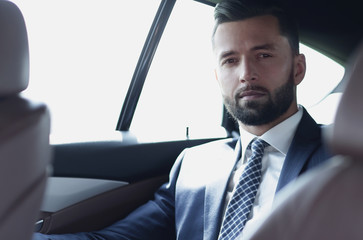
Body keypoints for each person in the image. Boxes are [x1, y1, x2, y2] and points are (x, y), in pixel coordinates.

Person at [33, 0, 331, 239]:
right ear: (217, 76)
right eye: (230, 60)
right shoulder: (194, 165)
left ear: (297, 69)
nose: (245, 74)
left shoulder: (344, 159)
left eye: (263, 55)